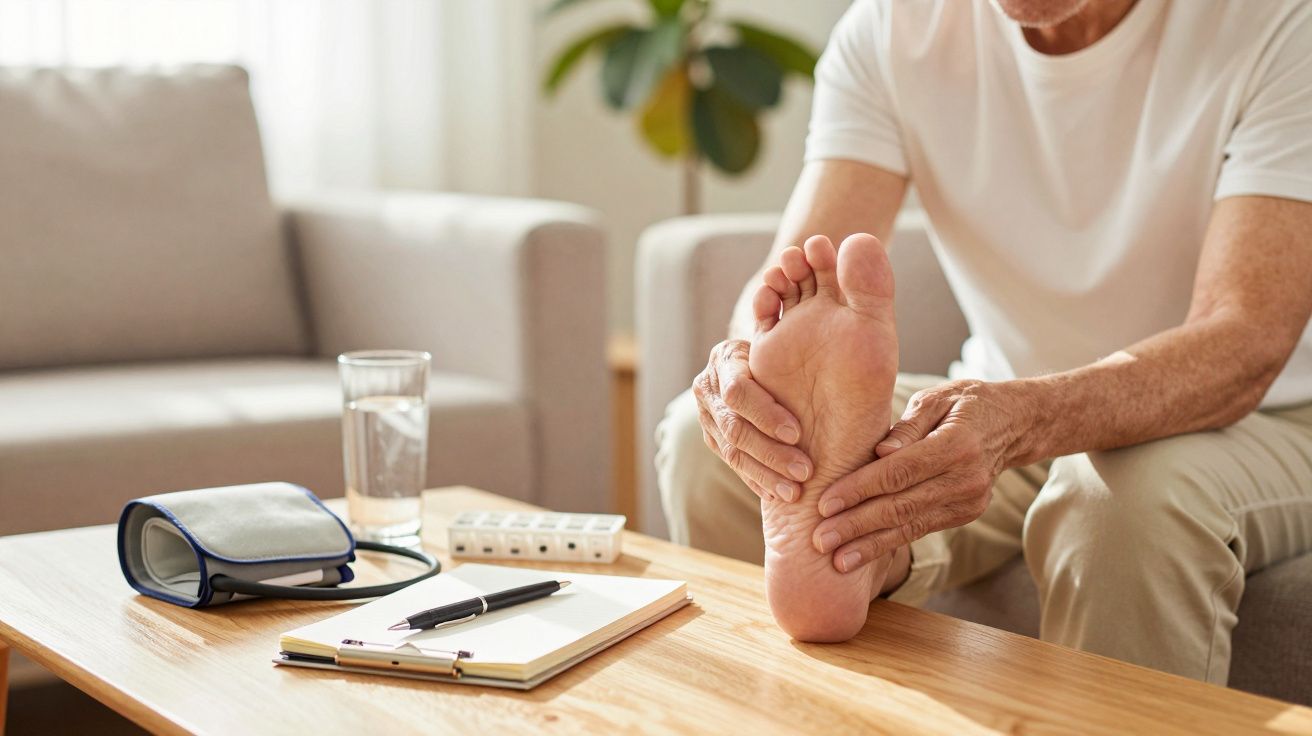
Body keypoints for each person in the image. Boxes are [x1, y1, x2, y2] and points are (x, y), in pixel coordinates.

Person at [655, 0, 1312, 684]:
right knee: (703, 452)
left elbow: (1244, 338)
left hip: (1269, 417)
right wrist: (750, 371)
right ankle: (829, 625)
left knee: (1122, 505)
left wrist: (1022, 420)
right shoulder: (893, 28)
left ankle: (858, 546)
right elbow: (794, 279)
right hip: (1012, 394)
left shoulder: (1282, 23)